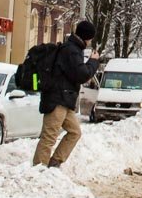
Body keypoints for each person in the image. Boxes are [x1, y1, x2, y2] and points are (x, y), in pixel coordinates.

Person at [33, 20, 100, 168]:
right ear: (86, 37)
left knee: (75, 132)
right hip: (57, 99)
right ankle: (39, 169)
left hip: (65, 100)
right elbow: (81, 74)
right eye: (90, 38)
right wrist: (93, 62)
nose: (90, 42)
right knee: (49, 136)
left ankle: (55, 163)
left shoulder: (73, 49)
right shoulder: (71, 50)